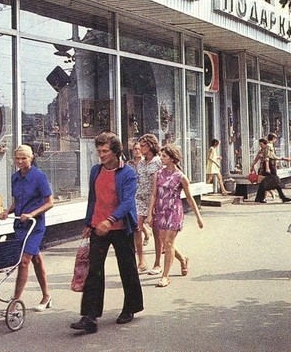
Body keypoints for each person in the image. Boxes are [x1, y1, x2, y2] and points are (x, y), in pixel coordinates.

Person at [70, 132, 143, 333]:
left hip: (120, 228)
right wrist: (88, 222)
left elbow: (128, 202)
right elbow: (93, 199)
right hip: (98, 227)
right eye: (99, 151)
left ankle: (131, 307)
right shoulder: (96, 171)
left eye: (105, 151)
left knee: (127, 268)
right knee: (94, 271)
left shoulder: (127, 173)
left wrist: (110, 219)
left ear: (115, 151)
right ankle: (90, 317)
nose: (101, 155)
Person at [0, 145, 54, 311]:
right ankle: (46, 296)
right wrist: (8, 211)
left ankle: (15, 301)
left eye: (24, 158)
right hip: (20, 225)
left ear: (31, 158)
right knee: (36, 259)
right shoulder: (15, 177)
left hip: (35, 226)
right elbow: (18, 200)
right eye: (18, 158)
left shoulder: (39, 177)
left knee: (23, 262)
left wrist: (32, 214)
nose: (20, 161)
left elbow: (50, 202)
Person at [146, 144, 204, 288]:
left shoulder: (181, 177)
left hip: (174, 211)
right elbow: (154, 194)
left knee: (169, 243)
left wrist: (198, 217)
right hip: (160, 210)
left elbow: (190, 199)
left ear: (172, 158)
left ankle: (165, 276)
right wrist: (149, 214)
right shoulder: (158, 174)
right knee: (165, 243)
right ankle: (183, 259)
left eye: (164, 156)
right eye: (161, 155)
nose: (161, 158)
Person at [135, 134, 161, 273]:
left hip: (154, 200)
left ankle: (158, 263)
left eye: (143, 145)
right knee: (136, 228)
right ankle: (141, 261)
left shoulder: (158, 162)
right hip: (140, 198)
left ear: (151, 145)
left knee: (157, 232)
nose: (140, 148)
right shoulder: (140, 163)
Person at [252, 133, 291, 203]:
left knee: (271, 182)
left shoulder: (270, 146)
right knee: (273, 181)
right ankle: (282, 197)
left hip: (270, 164)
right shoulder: (268, 146)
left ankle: (282, 197)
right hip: (269, 165)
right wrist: (267, 167)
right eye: (275, 139)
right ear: (273, 138)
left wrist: (284, 159)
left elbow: (273, 156)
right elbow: (267, 157)